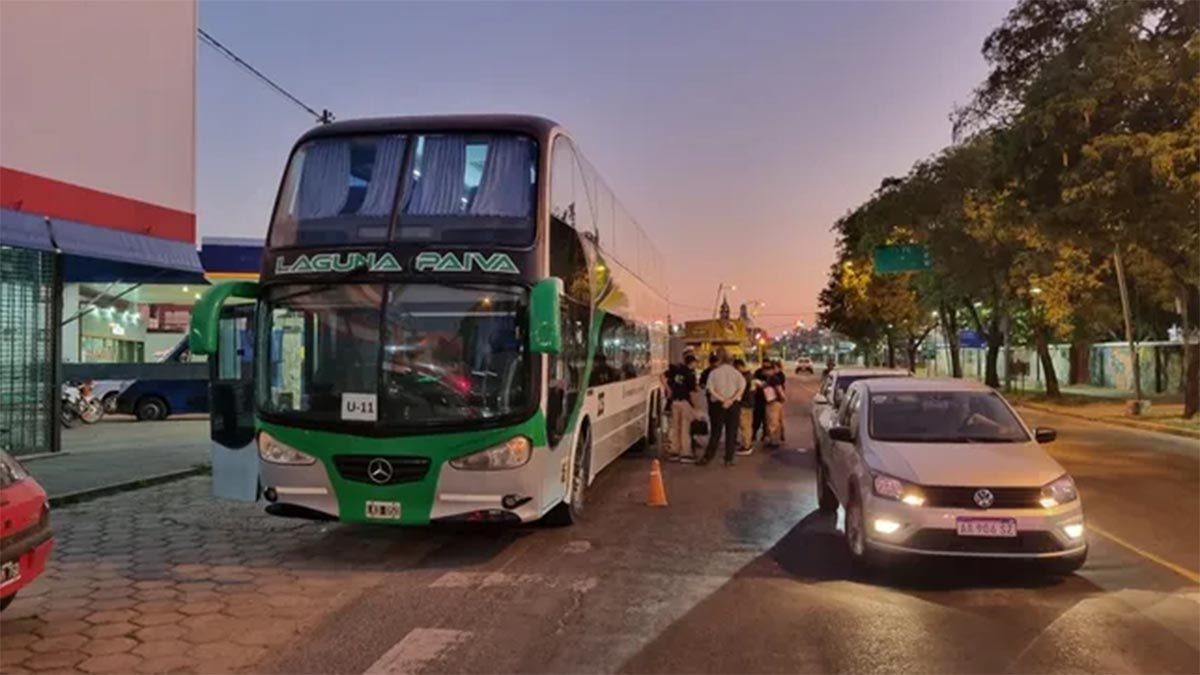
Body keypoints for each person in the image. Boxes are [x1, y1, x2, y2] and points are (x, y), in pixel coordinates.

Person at [700, 351, 746, 466]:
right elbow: (742, 387)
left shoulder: (714, 373)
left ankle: (708, 457)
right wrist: (731, 399)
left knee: (716, 432)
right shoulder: (737, 374)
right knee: (731, 432)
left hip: (717, 405)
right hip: (733, 405)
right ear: (731, 362)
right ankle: (728, 459)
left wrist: (722, 399)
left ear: (720, 361)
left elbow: (710, 388)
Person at [662, 354, 698, 462]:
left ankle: (674, 451)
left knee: (675, 427)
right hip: (684, 402)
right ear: (691, 363)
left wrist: (668, 389)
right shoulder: (690, 374)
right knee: (685, 428)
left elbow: (662, 376)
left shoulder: (676, 370)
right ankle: (685, 453)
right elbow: (692, 391)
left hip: (674, 402)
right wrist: (695, 406)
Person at [734, 358, 757, 456]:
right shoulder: (751, 376)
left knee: (744, 426)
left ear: (739, 367)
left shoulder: (744, 378)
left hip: (744, 404)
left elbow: (741, 391)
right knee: (748, 425)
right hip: (751, 403)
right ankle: (747, 443)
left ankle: (746, 446)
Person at [763, 361, 787, 448]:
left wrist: (782, 397)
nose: (764, 372)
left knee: (773, 422)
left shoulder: (773, 378)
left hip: (773, 402)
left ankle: (774, 441)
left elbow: (779, 389)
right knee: (775, 421)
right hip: (775, 402)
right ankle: (775, 439)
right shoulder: (773, 378)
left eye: (766, 370)